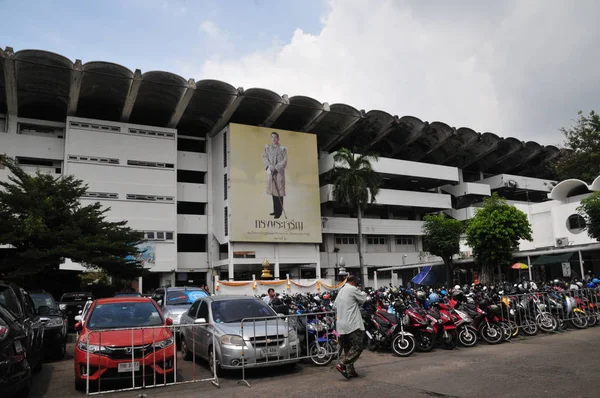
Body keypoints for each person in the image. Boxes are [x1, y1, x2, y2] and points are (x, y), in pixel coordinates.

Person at [333, 275, 369, 379]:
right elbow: (363, 299)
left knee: (348, 349)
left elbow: (334, 306)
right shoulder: (352, 289)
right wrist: (363, 292)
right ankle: (342, 364)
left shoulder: (341, 291)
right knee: (358, 347)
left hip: (341, 325)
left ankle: (350, 371)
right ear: (353, 282)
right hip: (352, 324)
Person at [262, 132, 288, 219]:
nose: (273, 139)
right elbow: (264, 157)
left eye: (275, 137)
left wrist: (276, 168)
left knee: (279, 191)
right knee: (273, 191)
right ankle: (275, 210)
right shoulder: (267, 148)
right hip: (271, 171)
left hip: (279, 172)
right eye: (272, 137)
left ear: (278, 139)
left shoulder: (282, 149)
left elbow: (284, 161)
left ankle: (279, 212)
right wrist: (269, 166)